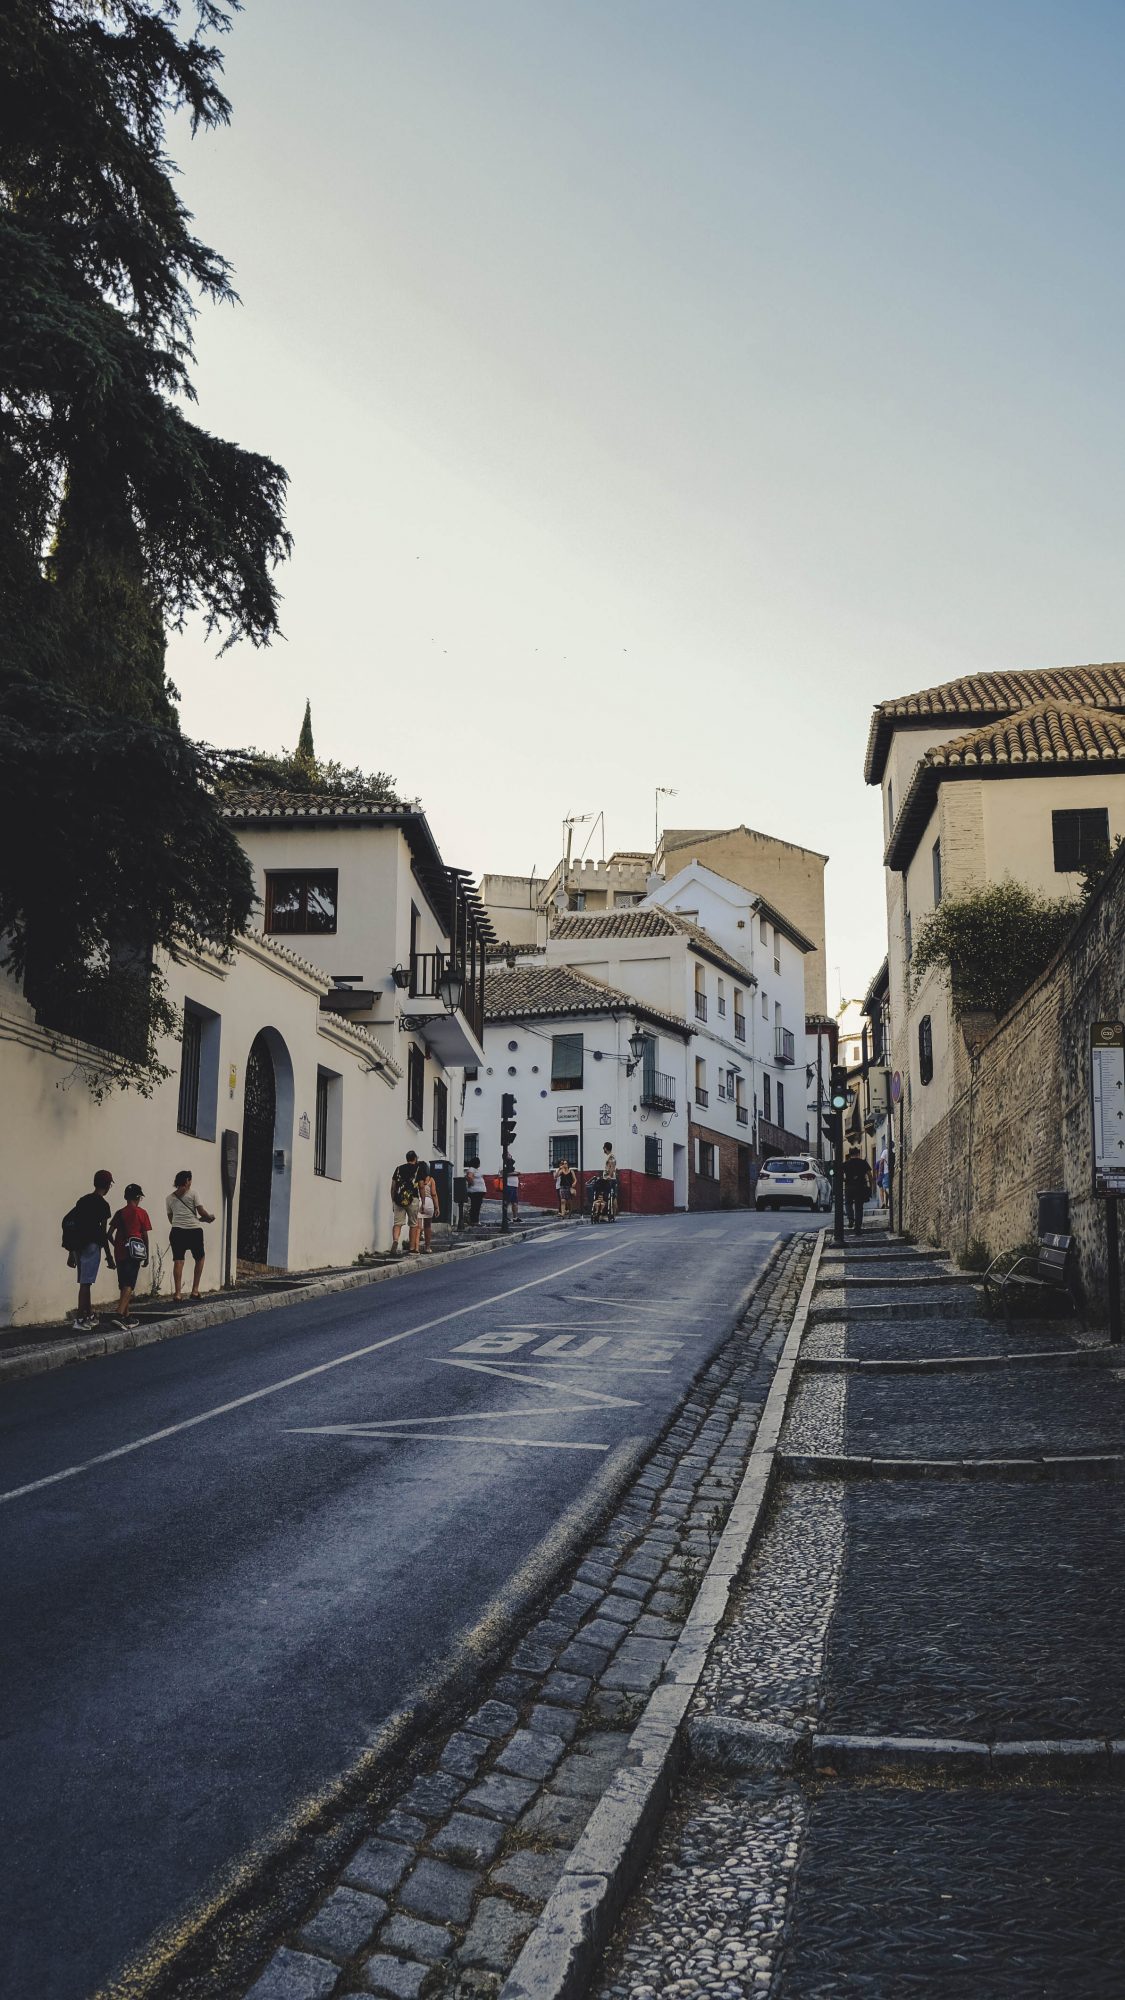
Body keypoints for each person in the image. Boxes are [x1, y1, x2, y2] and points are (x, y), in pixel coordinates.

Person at [63, 1169, 115, 1329]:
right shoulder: (104, 1205)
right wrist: (109, 1256)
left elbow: (74, 1225)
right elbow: (103, 1233)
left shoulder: (83, 1200)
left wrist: (71, 1253)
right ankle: (79, 1319)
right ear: (107, 1185)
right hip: (92, 1246)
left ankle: (88, 1314)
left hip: (78, 1246)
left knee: (86, 1281)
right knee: (86, 1283)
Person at [108, 1182, 152, 1326]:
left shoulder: (119, 1213)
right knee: (129, 1284)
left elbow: (108, 1234)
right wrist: (146, 1253)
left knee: (123, 1284)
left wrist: (117, 1245)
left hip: (120, 1251)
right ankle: (120, 1314)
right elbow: (145, 1235)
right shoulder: (142, 1213)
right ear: (138, 1197)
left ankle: (127, 1317)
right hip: (134, 1252)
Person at [167, 1169, 214, 1301]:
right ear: (187, 1181)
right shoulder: (193, 1193)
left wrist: (179, 1223)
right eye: (190, 1180)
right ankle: (194, 1290)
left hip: (176, 1231)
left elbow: (170, 1218)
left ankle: (177, 1293)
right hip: (194, 1230)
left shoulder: (169, 1198)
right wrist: (209, 1217)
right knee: (200, 1258)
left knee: (178, 1260)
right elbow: (201, 1211)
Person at [391, 1150, 422, 1253]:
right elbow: (421, 1186)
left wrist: (393, 1200)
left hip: (399, 1199)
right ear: (415, 1159)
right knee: (413, 1224)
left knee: (397, 1223)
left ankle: (395, 1240)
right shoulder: (418, 1169)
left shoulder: (398, 1169)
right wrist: (424, 1200)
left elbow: (393, 1187)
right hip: (413, 1198)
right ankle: (412, 1247)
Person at [843, 1146, 872, 1234]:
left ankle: (851, 1219)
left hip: (849, 1187)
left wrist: (845, 1180)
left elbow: (840, 1175)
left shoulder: (845, 1164)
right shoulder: (863, 1163)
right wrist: (871, 1186)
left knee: (848, 1203)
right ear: (858, 1154)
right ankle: (858, 1228)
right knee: (859, 1207)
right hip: (860, 1187)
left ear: (850, 1154)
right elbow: (869, 1175)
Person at [416, 1161, 440, 1252]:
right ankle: (427, 1247)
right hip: (429, 1202)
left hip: (419, 1201)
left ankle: (416, 1247)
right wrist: (437, 1207)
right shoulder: (431, 1180)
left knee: (418, 1226)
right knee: (428, 1226)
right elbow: (434, 1194)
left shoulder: (417, 1179)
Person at [465, 1157, 487, 1227]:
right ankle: (475, 1222)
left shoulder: (475, 1169)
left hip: (478, 1191)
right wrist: (472, 1184)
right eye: (479, 1162)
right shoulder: (471, 1169)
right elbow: (469, 1177)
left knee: (477, 1206)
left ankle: (475, 1221)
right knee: (475, 1206)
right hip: (475, 1191)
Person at [601, 1142, 619, 1220]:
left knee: (613, 1196)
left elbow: (612, 1167)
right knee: (613, 1196)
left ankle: (613, 1215)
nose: (603, 1149)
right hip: (610, 1178)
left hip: (610, 1179)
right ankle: (612, 1215)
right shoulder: (610, 1156)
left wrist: (609, 1176)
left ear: (605, 1148)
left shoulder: (611, 1156)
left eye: (603, 1148)